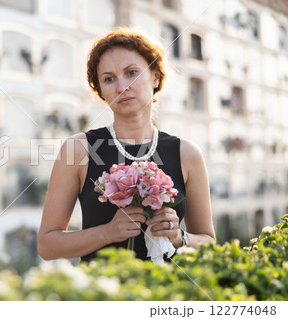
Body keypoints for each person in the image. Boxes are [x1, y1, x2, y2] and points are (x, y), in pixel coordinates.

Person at [37, 27, 215, 262]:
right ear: (101, 90)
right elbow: (47, 246)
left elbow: (209, 242)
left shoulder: (187, 153)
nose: (122, 87)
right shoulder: (78, 150)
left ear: (156, 76)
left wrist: (179, 237)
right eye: (109, 79)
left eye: (132, 72)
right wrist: (107, 233)